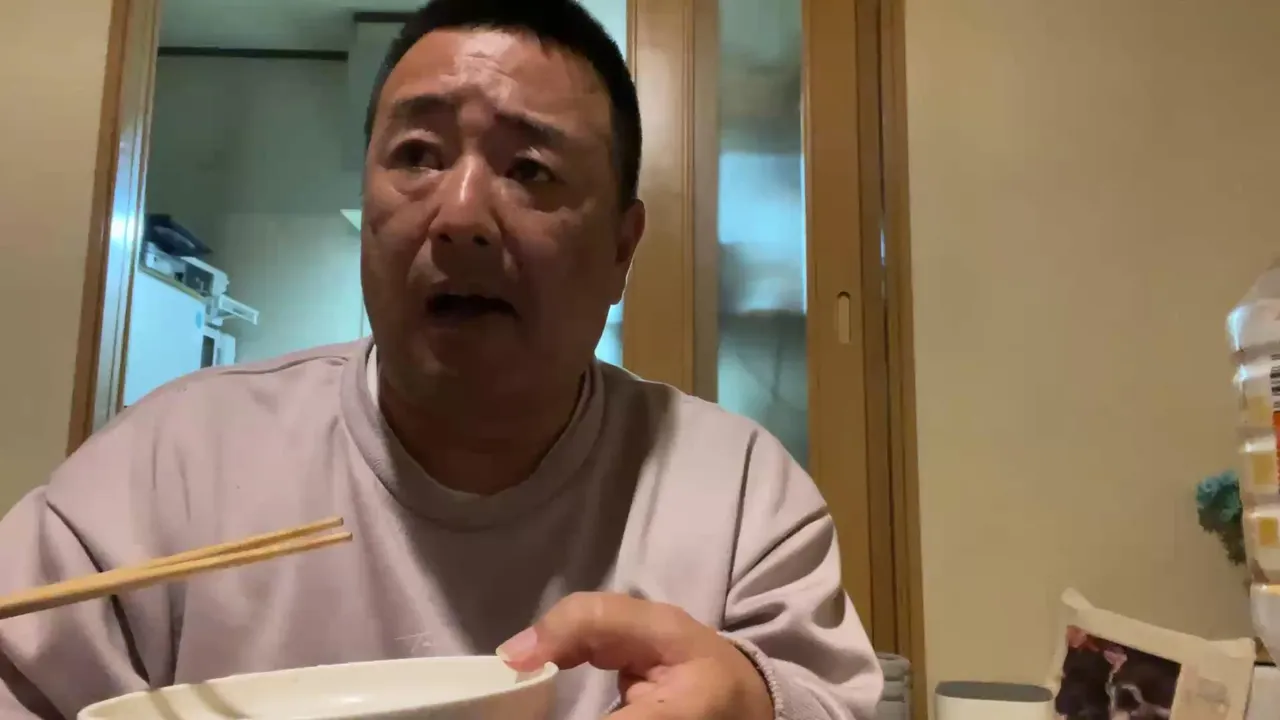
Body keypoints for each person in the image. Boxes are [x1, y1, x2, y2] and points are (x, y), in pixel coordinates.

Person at [0, 0, 883, 717]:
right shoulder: (175, 464)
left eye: (530, 169)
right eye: (417, 155)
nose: (460, 215)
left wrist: (757, 704)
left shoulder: (739, 494)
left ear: (623, 248)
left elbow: (830, 701)